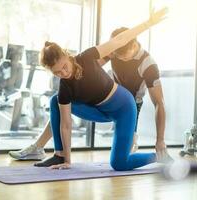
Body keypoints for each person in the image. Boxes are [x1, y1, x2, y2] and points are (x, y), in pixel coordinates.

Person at [10, 8, 168, 170]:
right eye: (57, 72)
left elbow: (119, 40)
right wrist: (68, 161)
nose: (64, 73)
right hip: (100, 111)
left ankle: (158, 157)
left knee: (119, 164)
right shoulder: (65, 86)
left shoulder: (88, 57)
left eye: (64, 67)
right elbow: (66, 124)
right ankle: (59, 156)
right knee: (56, 100)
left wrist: (149, 23)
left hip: (125, 108)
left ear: (67, 55)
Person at [97, 27, 167, 156]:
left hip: (132, 105)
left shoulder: (149, 65)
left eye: (123, 57)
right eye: (116, 56)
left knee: (123, 155)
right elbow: (92, 65)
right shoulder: (115, 50)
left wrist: (160, 140)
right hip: (112, 98)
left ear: (134, 45)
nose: (119, 59)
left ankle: (133, 142)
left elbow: (159, 103)